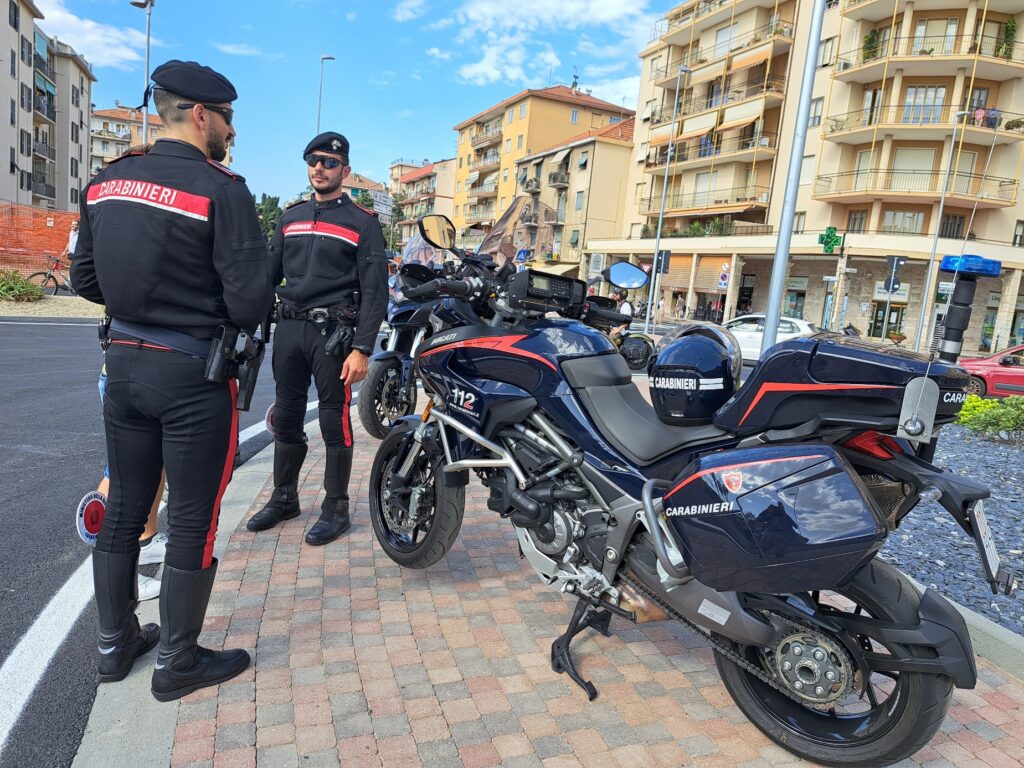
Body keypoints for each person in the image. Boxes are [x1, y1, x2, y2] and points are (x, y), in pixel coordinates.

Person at [71, 59, 271, 701]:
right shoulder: (222, 190)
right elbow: (249, 302)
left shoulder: (106, 181)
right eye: (229, 119)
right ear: (202, 115)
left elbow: (84, 280)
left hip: (123, 364)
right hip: (191, 375)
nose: (232, 131)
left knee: (126, 507)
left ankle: (114, 646)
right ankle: (178, 661)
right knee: (191, 517)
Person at [246, 131, 388, 545]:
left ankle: (336, 508)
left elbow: (375, 291)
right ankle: (284, 498)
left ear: (345, 170)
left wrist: (362, 348)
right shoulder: (289, 217)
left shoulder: (363, 222)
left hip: (333, 335)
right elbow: (267, 277)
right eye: (313, 161)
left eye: (329, 162)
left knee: (332, 419)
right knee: (287, 415)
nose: (320, 168)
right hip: (290, 330)